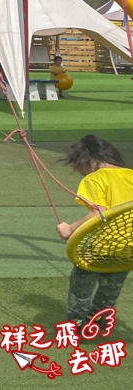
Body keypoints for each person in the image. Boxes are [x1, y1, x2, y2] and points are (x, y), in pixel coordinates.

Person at [55, 135, 133, 328]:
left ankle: (78, 322)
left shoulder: (96, 178)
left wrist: (70, 229)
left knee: (81, 281)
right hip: (129, 250)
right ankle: (102, 318)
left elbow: (100, 213)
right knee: (112, 285)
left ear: (87, 160)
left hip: (102, 249)